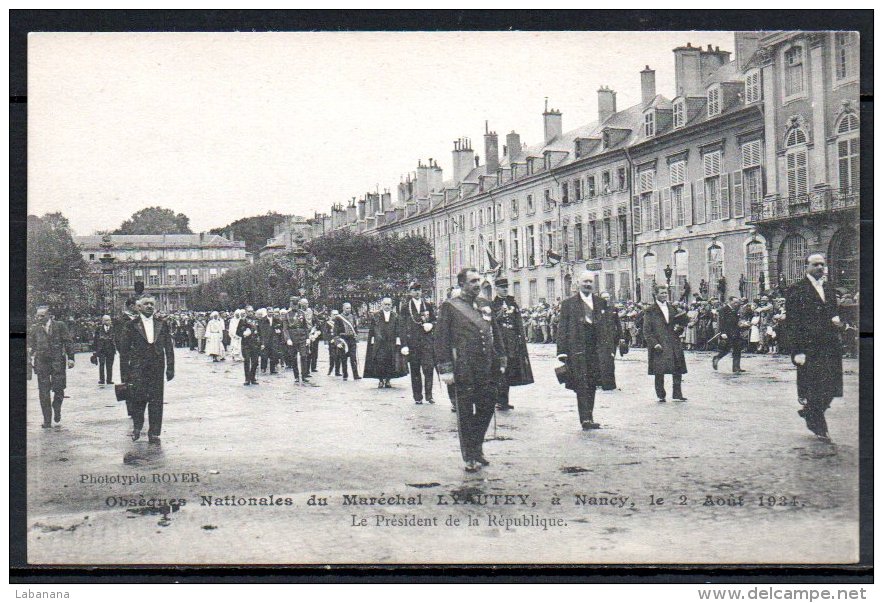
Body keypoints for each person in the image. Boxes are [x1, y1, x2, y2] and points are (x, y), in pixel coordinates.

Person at [435, 268, 507, 472]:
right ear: (462, 284)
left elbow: (495, 332)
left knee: (486, 408)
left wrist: (501, 358)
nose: (477, 285)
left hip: (487, 366)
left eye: (479, 281)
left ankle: (477, 446)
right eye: (473, 281)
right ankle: (470, 456)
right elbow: (442, 339)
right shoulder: (450, 307)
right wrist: (446, 368)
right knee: (466, 413)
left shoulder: (485, 304)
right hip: (464, 367)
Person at [786, 254, 844, 443]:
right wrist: (797, 350)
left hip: (830, 345)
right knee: (814, 388)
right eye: (815, 264)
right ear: (806, 267)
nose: (820, 267)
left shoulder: (828, 287)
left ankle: (809, 412)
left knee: (831, 388)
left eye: (822, 264)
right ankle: (818, 425)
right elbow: (792, 323)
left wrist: (836, 320)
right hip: (809, 347)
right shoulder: (797, 290)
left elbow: (833, 312)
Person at [556, 271, 618, 430]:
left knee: (592, 383)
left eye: (590, 282)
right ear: (578, 284)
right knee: (581, 384)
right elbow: (562, 328)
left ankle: (589, 416)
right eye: (585, 282)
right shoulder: (569, 304)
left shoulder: (600, 303)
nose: (588, 285)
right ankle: (584, 419)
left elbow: (607, 328)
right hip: (577, 350)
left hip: (596, 351)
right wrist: (562, 351)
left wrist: (610, 349)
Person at [123, 294, 174, 443]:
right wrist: (125, 374)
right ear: (139, 307)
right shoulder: (131, 325)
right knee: (138, 398)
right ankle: (137, 427)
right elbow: (124, 351)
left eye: (152, 304)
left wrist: (170, 368)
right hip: (138, 368)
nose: (150, 306)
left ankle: (154, 432)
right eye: (146, 304)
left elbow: (168, 347)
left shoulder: (161, 324)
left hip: (157, 367)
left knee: (156, 400)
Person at [28, 306, 75, 428]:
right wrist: (29, 356)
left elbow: (68, 341)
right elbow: (31, 345)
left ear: (49, 315)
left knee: (59, 388)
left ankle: (57, 407)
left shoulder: (60, 326)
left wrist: (71, 358)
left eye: (42, 316)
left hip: (57, 362)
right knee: (43, 392)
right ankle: (47, 420)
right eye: (37, 316)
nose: (39, 318)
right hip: (42, 363)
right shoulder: (35, 329)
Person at [491, 277, 533, 411]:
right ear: (496, 289)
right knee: (500, 369)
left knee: (509, 370)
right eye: (502, 287)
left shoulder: (512, 302)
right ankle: (499, 400)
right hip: (500, 340)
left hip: (512, 341)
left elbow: (518, 321)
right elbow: (492, 322)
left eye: (506, 287)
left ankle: (505, 400)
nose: (504, 289)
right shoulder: (493, 304)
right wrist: (499, 314)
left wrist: (521, 337)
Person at [643, 284, 688, 403]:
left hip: (673, 342)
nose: (664, 295)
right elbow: (647, 331)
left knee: (677, 368)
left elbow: (679, 325)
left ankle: (677, 394)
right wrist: (654, 344)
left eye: (665, 293)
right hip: (659, 343)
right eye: (661, 293)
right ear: (656, 294)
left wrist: (679, 328)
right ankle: (661, 394)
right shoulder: (650, 311)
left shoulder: (672, 308)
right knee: (659, 370)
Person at [399, 282, 436, 404]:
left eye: (419, 290)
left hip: (426, 343)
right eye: (414, 290)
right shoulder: (405, 307)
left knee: (429, 369)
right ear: (410, 292)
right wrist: (403, 344)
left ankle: (429, 395)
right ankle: (418, 396)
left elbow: (435, 321)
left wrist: (431, 325)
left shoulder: (428, 305)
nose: (417, 292)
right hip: (412, 344)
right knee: (415, 371)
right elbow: (402, 327)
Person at [364, 297, 408, 389]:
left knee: (390, 361)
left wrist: (398, 340)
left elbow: (398, 329)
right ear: (382, 305)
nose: (387, 306)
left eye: (389, 304)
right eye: (385, 304)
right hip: (379, 343)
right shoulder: (376, 316)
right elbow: (372, 329)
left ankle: (388, 380)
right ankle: (380, 380)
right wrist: (372, 340)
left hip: (391, 343)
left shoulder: (395, 316)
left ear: (391, 305)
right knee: (379, 361)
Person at [283, 297, 313, 385]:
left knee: (304, 356)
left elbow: (305, 327)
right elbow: (285, 329)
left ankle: (304, 376)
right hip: (292, 338)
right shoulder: (287, 315)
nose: (295, 306)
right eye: (293, 304)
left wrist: (307, 338)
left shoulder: (302, 313)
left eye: (296, 305)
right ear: (291, 305)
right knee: (294, 357)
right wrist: (287, 339)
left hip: (302, 337)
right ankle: (296, 376)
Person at [712, 297, 745, 373]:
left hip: (736, 332)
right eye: (735, 302)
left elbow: (736, 321)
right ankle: (716, 358)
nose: (737, 304)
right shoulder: (723, 310)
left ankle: (736, 367)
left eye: (737, 302)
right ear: (730, 302)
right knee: (726, 349)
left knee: (737, 349)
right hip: (727, 333)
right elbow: (721, 322)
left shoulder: (736, 309)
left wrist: (741, 325)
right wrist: (723, 332)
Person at [334, 302, 360, 380]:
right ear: (343, 308)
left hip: (352, 339)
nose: (349, 310)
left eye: (349, 308)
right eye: (347, 308)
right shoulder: (338, 318)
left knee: (353, 358)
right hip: (343, 339)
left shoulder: (353, 317)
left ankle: (356, 375)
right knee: (344, 358)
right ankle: (345, 375)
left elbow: (355, 328)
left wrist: (356, 336)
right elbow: (335, 331)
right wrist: (337, 342)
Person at [236, 306, 261, 385]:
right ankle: (247, 379)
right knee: (247, 360)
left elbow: (260, 331)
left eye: (252, 311)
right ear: (246, 312)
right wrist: (243, 333)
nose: (251, 313)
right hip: (246, 343)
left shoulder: (257, 320)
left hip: (255, 343)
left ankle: (252, 377)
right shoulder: (242, 320)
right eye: (249, 311)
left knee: (255, 362)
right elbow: (237, 332)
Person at [92, 315, 117, 385]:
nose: (108, 322)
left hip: (111, 349)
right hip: (101, 349)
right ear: (102, 321)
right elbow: (95, 340)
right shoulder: (98, 329)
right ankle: (101, 379)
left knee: (110, 365)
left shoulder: (113, 328)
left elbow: (117, 338)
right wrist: (94, 350)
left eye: (109, 320)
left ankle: (109, 380)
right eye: (106, 320)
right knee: (102, 365)